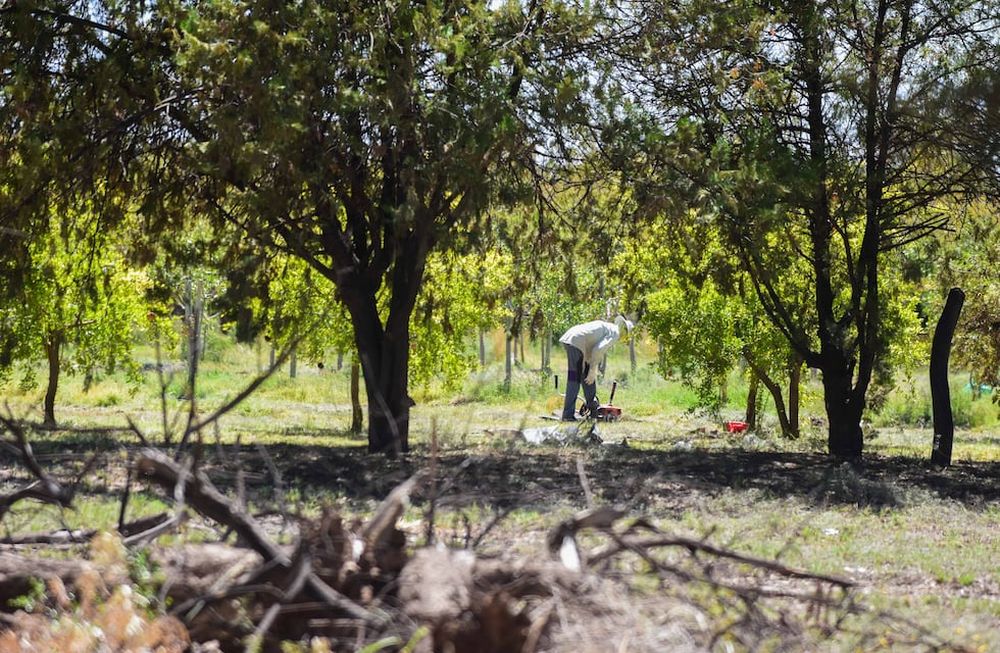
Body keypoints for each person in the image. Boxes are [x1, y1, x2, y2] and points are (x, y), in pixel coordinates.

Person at [559, 315, 633, 421]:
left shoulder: (608, 327)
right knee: (574, 380)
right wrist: (593, 369)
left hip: (572, 339)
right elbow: (598, 350)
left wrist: (590, 369)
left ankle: (593, 409)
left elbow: (593, 347)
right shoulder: (615, 333)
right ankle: (568, 416)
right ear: (624, 330)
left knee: (587, 376)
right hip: (576, 342)